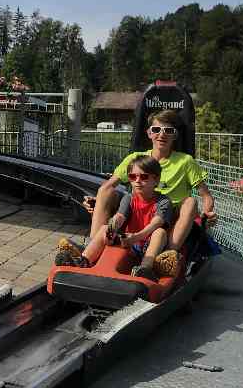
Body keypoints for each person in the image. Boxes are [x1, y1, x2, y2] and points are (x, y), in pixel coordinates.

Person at [84, 109, 217, 255]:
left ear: (175, 135)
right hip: (138, 213)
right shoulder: (136, 159)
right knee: (105, 191)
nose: (162, 134)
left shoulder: (185, 162)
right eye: (156, 129)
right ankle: (93, 244)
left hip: (169, 218)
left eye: (168, 130)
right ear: (149, 133)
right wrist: (99, 202)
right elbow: (108, 186)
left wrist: (207, 213)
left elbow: (206, 196)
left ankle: (168, 253)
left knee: (191, 202)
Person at [56, 154, 176, 279]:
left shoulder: (163, 201)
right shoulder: (129, 198)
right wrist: (111, 230)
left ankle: (145, 269)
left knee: (160, 233)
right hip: (128, 242)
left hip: (148, 245)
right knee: (104, 228)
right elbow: (120, 216)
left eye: (144, 177)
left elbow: (156, 223)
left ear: (156, 180)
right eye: (133, 177)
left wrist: (136, 237)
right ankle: (84, 260)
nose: (138, 181)